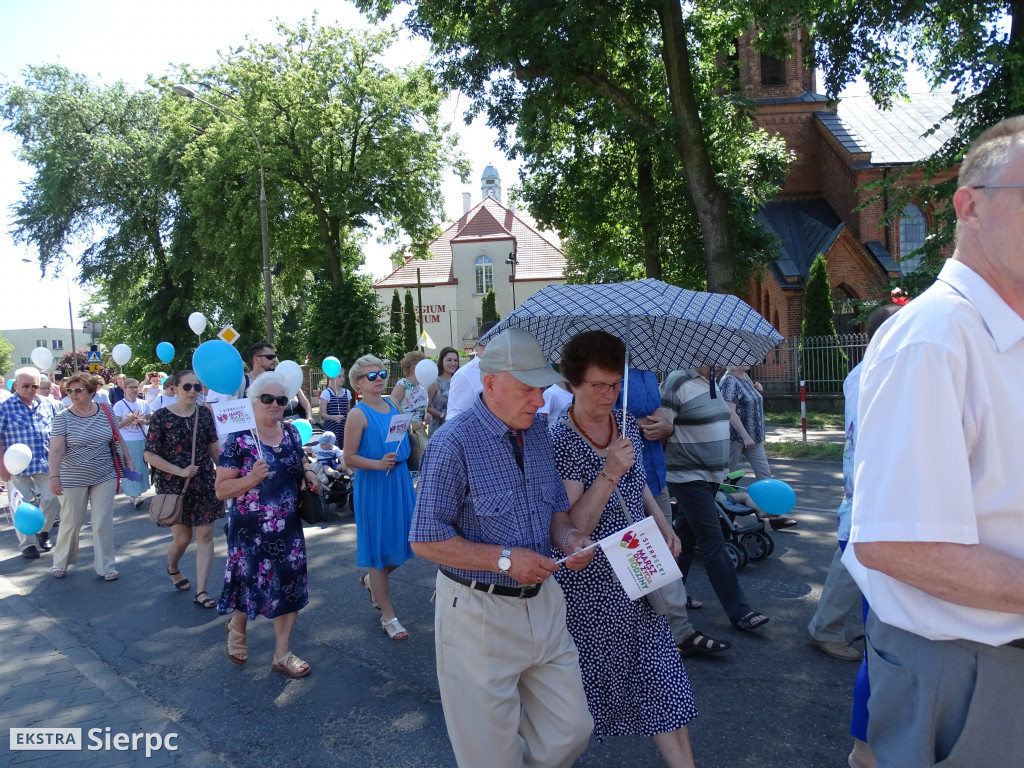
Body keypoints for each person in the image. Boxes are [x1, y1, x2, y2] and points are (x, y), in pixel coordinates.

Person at [840, 116, 1024, 768]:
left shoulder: (1002, 335)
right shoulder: (933, 339)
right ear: (970, 205)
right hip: (971, 674)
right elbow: (897, 541)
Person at [411, 328, 595, 768]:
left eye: (543, 388)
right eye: (529, 389)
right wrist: (506, 559)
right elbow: (424, 538)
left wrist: (570, 538)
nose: (540, 400)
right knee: (490, 756)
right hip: (478, 614)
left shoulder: (536, 433)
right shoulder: (451, 443)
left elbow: (554, 512)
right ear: (491, 383)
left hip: (544, 604)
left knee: (572, 730)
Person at [550, 331, 698, 765]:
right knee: (577, 707)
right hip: (591, 590)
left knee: (664, 680)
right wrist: (609, 470)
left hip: (639, 572)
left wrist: (662, 525)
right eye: (598, 385)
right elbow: (575, 526)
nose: (609, 395)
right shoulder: (562, 440)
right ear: (572, 383)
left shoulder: (626, 424)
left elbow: (641, 488)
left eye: (615, 384)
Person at [215, 371, 321, 677]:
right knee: (247, 583)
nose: (274, 404)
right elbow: (221, 490)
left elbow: (300, 462)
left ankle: (282, 654)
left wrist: (310, 474)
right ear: (253, 401)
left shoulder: (290, 433)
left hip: (287, 529)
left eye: (280, 399)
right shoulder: (239, 440)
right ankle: (237, 625)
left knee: (288, 589)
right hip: (250, 531)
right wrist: (251, 479)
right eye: (267, 399)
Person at [620, 365, 729, 657]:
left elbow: (661, 416)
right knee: (636, 561)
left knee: (660, 557)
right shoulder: (607, 366)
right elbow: (594, 417)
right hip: (621, 478)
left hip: (654, 472)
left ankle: (676, 632)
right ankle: (659, 635)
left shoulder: (643, 370)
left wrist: (667, 426)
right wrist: (638, 423)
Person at [662, 367, 769, 631]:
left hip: (711, 475)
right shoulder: (678, 380)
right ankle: (740, 612)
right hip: (687, 475)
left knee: (684, 537)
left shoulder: (712, 382)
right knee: (713, 542)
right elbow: (662, 427)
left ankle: (674, 596)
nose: (723, 360)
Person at [344, 355, 417, 640]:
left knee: (411, 541)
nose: (379, 379)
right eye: (371, 376)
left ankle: (371, 581)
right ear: (358, 382)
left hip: (398, 481)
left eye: (382, 373)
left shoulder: (393, 404)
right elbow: (349, 457)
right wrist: (377, 464)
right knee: (378, 552)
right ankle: (389, 616)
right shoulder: (357, 414)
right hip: (375, 484)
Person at [144, 370, 223, 609]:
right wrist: (178, 471)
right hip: (173, 485)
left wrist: (229, 476)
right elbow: (149, 453)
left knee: (206, 536)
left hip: (204, 481)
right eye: (187, 387)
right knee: (182, 539)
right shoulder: (160, 417)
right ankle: (173, 567)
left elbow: (214, 448)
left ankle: (201, 590)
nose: (192, 392)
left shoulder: (205, 415)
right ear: (175, 389)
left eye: (197, 387)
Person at [47, 372, 134, 580]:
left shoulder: (106, 411)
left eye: (79, 390)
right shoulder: (63, 418)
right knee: (72, 521)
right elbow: (56, 450)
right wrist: (54, 476)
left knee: (102, 521)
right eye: (70, 391)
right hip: (72, 476)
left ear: (92, 392)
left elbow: (117, 437)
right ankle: (61, 560)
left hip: (105, 473)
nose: (74, 395)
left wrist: (129, 461)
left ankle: (107, 566)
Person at [718, 365, 797, 530]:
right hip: (735, 438)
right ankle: (724, 516)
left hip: (754, 437)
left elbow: (747, 403)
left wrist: (756, 390)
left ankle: (774, 514)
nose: (749, 361)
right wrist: (745, 436)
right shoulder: (729, 381)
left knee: (765, 475)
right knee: (727, 478)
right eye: (744, 358)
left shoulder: (745, 378)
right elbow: (730, 412)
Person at [0, 366, 61, 559]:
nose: (31, 389)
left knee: (52, 499)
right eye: (26, 386)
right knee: (21, 505)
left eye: (34, 385)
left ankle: (43, 531)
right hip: (16, 467)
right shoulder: (5, 406)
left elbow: (57, 433)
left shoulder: (47, 404)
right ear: (16, 385)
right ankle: (27, 544)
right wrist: (1, 466)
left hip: (44, 462)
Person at [444, 320, 498, 421]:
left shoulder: (507, 370)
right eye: (500, 342)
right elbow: (455, 419)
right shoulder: (464, 375)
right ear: (484, 343)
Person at [113, 378, 152, 508]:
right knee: (131, 466)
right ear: (124, 389)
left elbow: (149, 420)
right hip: (128, 440)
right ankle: (134, 495)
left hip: (142, 438)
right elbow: (116, 425)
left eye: (136, 387)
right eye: (131, 387)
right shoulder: (120, 405)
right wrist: (128, 419)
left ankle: (139, 491)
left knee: (142, 466)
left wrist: (143, 422)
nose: (134, 390)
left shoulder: (143, 403)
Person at [390, 351, 430, 472]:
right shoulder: (402, 385)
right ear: (413, 366)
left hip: (419, 434)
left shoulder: (421, 386)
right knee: (410, 469)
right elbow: (390, 410)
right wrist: (410, 424)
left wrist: (427, 416)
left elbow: (420, 409)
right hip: (404, 435)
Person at [426, 346, 459, 433]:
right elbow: (426, 406)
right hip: (438, 428)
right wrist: (442, 415)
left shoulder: (459, 380)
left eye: (455, 360)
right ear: (442, 361)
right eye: (449, 360)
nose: (453, 363)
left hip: (456, 427)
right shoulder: (434, 382)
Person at [318, 370, 351, 445]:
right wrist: (333, 417)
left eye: (343, 376)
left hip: (344, 429)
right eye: (339, 377)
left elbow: (348, 411)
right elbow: (322, 414)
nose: (342, 379)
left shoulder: (347, 393)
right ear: (331, 378)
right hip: (331, 429)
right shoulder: (326, 393)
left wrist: (349, 416)